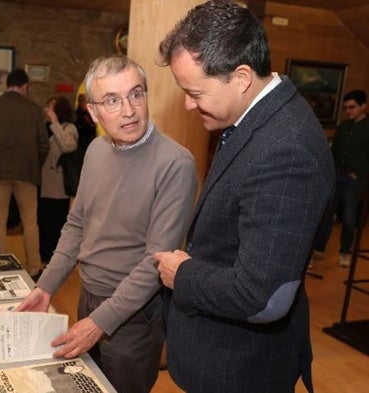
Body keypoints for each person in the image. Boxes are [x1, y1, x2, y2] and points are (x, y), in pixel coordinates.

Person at [154, 2, 335, 393]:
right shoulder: (257, 117)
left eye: (194, 92)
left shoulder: (285, 150)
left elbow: (261, 296)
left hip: (240, 370)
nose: (187, 104)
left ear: (240, 77)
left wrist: (181, 273)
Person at [17, 54, 197, 393]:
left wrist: (99, 323)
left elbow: (155, 261)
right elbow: (76, 224)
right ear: (94, 113)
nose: (128, 110)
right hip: (87, 296)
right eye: (112, 101)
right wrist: (46, 286)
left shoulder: (176, 164)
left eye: (136, 94)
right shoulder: (97, 150)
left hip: (134, 314)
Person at [0, 69, 49, 279]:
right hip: (26, 171)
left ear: (7, 85)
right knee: (30, 220)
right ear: (24, 86)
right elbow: (44, 144)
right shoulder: (34, 109)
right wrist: (35, 162)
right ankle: (33, 266)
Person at [312, 89, 369, 268]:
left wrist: (360, 173)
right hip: (337, 177)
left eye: (352, 107)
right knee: (327, 216)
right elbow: (334, 152)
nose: (348, 111)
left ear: (363, 106)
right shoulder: (344, 126)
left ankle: (345, 252)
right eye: (346, 108)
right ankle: (317, 251)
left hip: (355, 182)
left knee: (349, 219)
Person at [38, 96, 78, 264]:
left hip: (58, 185)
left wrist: (55, 123)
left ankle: (56, 259)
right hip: (42, 183)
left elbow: (68, 146)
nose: (48, 110)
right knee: (43, 222)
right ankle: (44, 255)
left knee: (57, 223)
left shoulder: (69, 128)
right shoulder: (44, 127)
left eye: (51, 107)